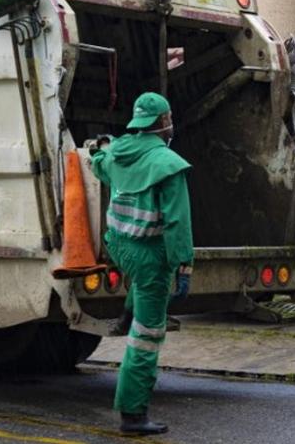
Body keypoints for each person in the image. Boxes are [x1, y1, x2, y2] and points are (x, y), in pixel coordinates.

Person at [90, 92, 194, 436]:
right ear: (163, 122)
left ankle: (128, 313)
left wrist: (99, 148)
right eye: (168, 119)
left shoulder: (118, 153)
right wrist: (184, 264)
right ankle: (133, 414)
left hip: (118, 244)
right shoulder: (167, 164)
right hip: (149, 255)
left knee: (142, 282)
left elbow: (99, 162)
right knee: (148, 337)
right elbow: (178, 222)